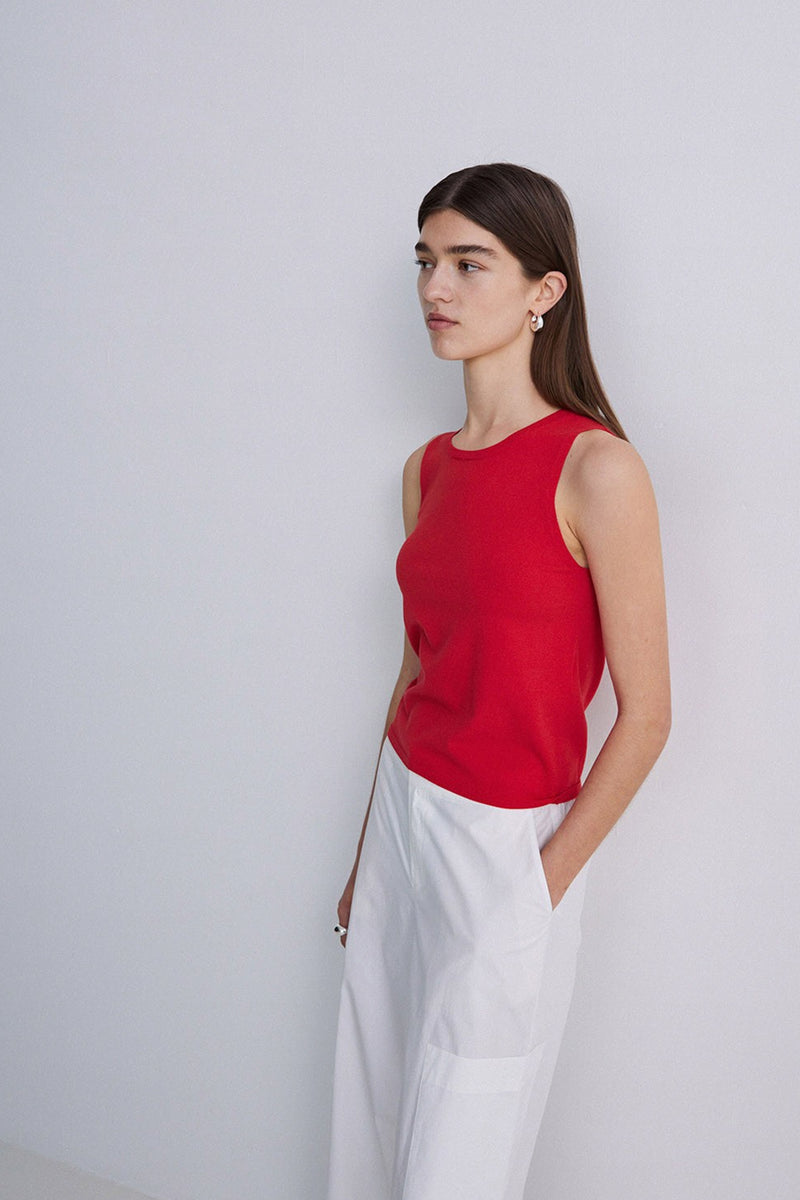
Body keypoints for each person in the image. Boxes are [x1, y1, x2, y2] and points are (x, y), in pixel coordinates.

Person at [326, 163, 670, 1200]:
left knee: (462, 1136)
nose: (435, 288)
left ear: (542, 291)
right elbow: (413, 673)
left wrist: (539, 884)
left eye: (469, 264)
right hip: (405, 812)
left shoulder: (595, 468)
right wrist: (367, 856)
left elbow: (647, 716)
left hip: (505, 838)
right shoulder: (426, 469)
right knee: (372, 1098)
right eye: (425, 261)